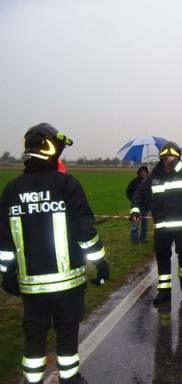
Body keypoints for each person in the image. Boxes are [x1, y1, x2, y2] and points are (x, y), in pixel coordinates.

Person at [0, 123, 109, 384]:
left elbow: (4, 241)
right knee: (67, 333)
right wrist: (100, 262)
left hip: (31, 287)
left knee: (33, 338)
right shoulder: (67, 185)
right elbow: (85, 233)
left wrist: (6, 274)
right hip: (67, 285)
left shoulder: (11, 190)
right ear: (51, 148)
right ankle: (70, 379)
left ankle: (32, 380)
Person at [130, 141, 182, 305]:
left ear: (177, 158)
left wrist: (178, 165)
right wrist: (135, 211)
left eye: (172, 157)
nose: (168, 160)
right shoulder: (154, 176)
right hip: (162, 227)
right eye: (166, 157)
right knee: (162, 258)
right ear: (161, 158)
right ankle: (164, 291)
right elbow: (139, 195)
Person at [126, 166, 149, 243]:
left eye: (145, 171)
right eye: (142, 171)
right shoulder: (134, 181)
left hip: (145, 206)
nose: (143, 173)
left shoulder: (149, 182)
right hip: (136, 206)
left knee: (145, 224)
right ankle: (134, 239)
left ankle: (143, 238)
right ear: (139, 172)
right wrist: (133, 200)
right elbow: (128, 192)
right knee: (135, 223)